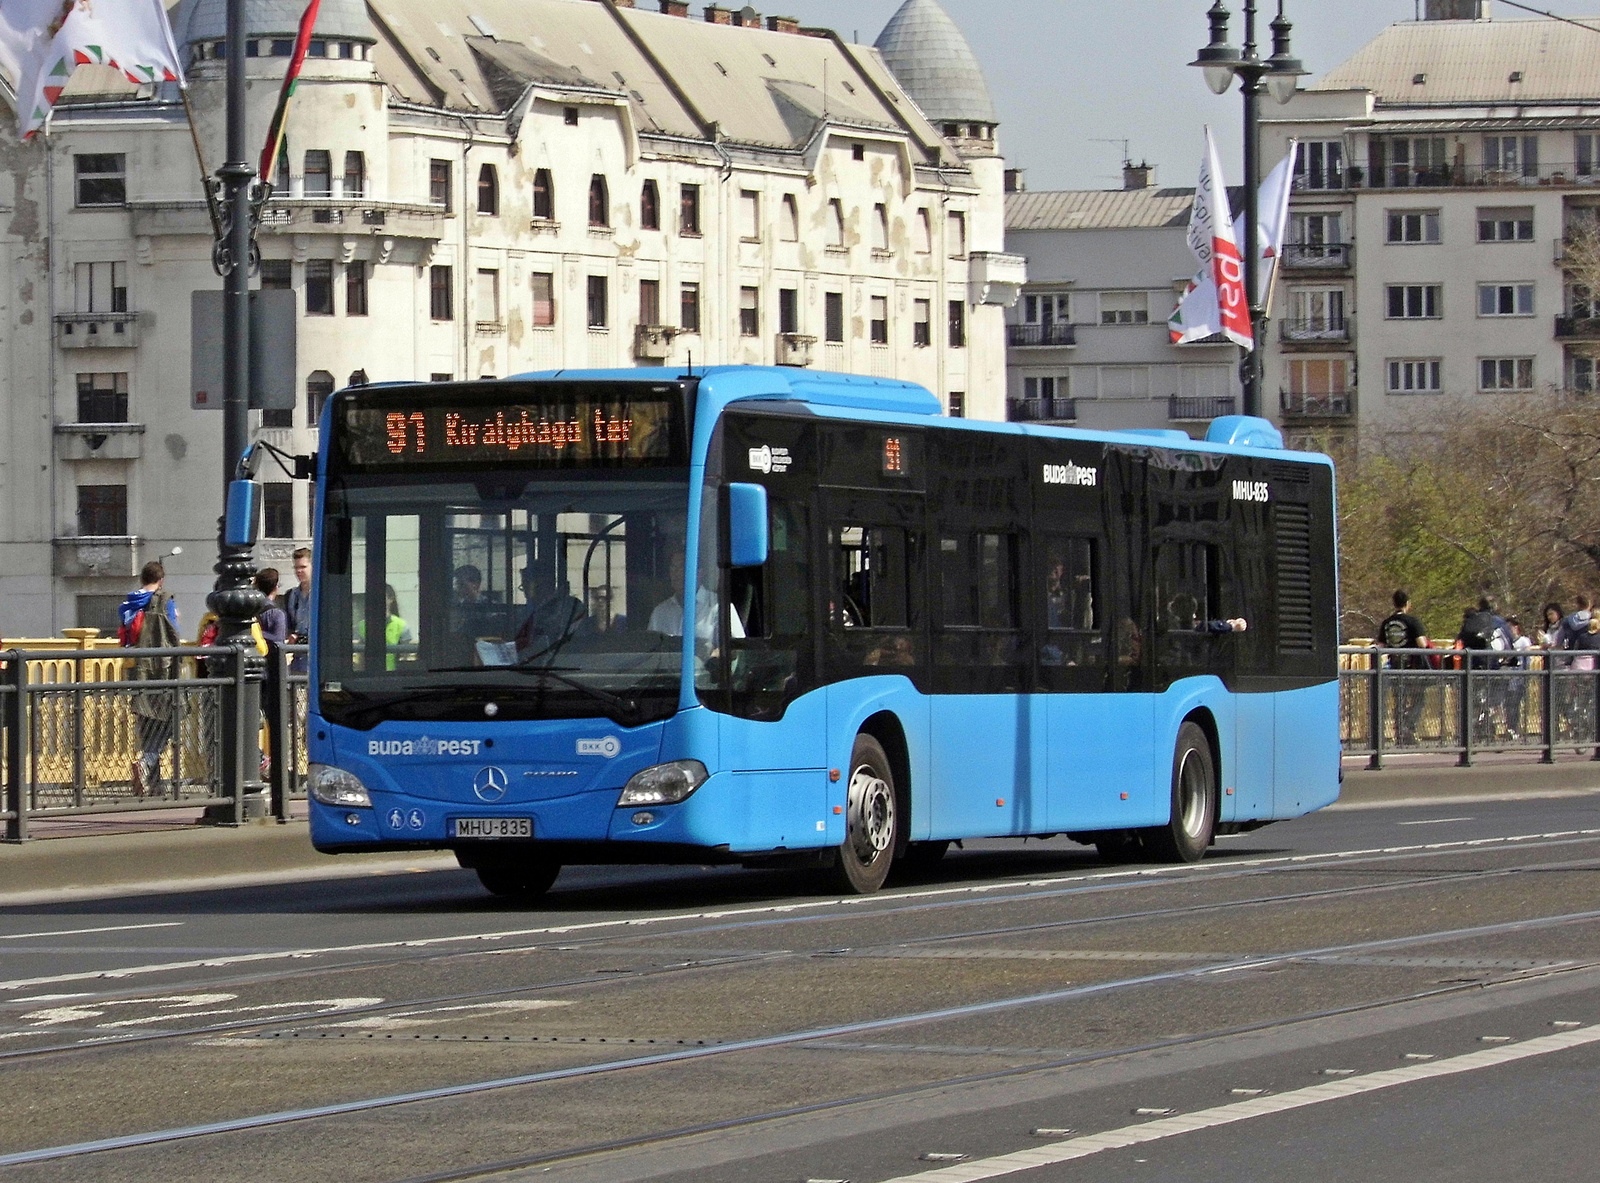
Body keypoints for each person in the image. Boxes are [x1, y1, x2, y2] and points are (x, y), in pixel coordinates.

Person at [119, 561, 181, 796]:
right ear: (161, 580)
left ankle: (153, 783)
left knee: (146, 723)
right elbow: (174, 632)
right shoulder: (165, 602)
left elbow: (125, 635)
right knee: (166, 721)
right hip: (162, 670)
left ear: (141, 579)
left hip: (136, 670)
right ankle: (147, 763)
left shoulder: (127, 603)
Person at [647, 553, 744, 651]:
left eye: (682, 568)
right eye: (673, 568)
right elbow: (650, 651)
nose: (676, 574)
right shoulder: (660, 612)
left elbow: (737, 648)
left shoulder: (719, 607)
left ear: (699, 573)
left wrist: (712, 657)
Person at [1379, 589, 1430, 747]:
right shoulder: (1412, 621)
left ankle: (1399, 732)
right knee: (1418, 699)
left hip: (1394, 665)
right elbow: (1422, 644)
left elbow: (1381, 645)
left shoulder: (1387, 623)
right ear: (1408, 604)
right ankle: (1408, 726)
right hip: (1412, 667)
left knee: (1398, 700)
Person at [513, 568, 586, 662]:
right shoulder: (526, 611)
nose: (525, 591)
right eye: (523, 586)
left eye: (527, 585)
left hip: (563, 664)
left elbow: (573, 641)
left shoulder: (569, 606)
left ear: (544, 584)